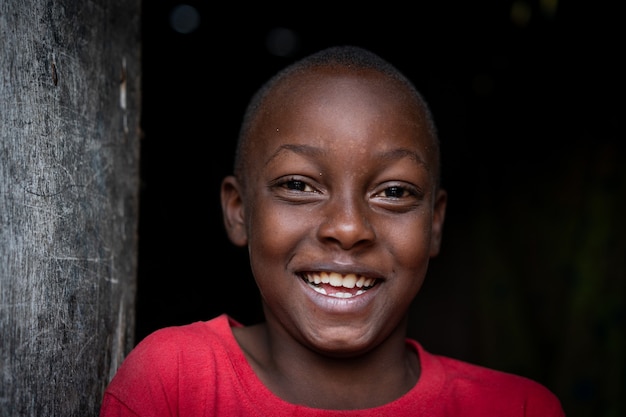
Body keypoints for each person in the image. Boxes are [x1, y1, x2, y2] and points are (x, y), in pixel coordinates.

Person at [99, 45, 565, 416]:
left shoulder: (516, 409)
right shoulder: (177, 382)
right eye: (299, 185)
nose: (348, 228)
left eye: (395, 192)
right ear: (239, 210)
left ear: (435, 223)